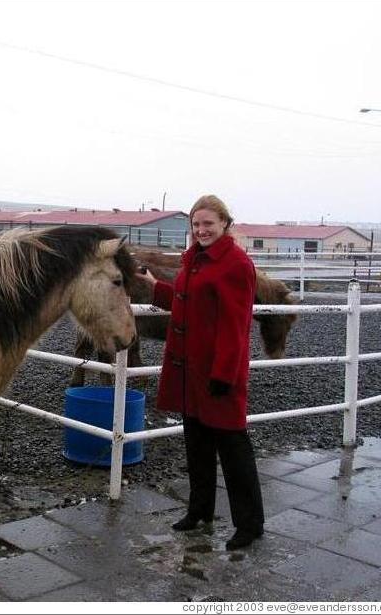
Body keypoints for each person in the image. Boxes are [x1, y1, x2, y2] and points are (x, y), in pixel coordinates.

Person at [134, 195, 264, 550]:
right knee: (197, 446)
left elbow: (235, 328)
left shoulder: (236, 264)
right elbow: (186, 300)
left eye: (208, 223)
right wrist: (153, 285)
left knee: (234, 450)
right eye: (196, 225)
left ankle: (250, 525)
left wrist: (223, 376)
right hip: (189, 371)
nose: (202, 230)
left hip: (217, 375)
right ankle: (200, 509)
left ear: (225, 223)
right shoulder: (195, 260)